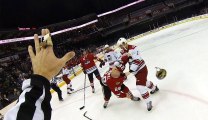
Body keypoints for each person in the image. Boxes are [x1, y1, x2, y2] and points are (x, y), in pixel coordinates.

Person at [4, 29, 75, 120]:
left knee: (58, 91)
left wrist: (42, 76)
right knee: (59, 91)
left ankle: (63, 95)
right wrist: (42, 76)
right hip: (46, 84)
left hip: (44, 85)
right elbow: (25, 114)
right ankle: (63, 95)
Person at [117, 37, 159, 111]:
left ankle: (148, 102)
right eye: (120, 46)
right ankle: (154, 88)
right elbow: (122, 61)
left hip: (142, 69)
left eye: (122, 45)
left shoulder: (134, 48)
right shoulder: (123, 51)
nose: (121, 47)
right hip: (136, 72)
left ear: (125, 43)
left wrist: (129, 72)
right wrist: (118, 65)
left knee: (140, 86)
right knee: (144, 82)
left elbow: (137, 61)